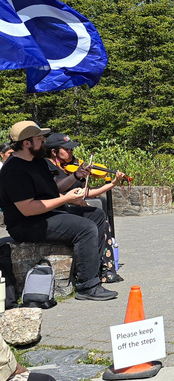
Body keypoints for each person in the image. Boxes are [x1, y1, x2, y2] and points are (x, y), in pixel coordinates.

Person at [0, 121, 118, 301]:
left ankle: (99, 270)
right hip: (28, 224)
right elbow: (28, 209)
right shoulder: (14, 170)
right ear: (26, 143)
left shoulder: (37, 161)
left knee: (96, 215)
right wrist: (66, 199)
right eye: (40, 138)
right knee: (85, 228)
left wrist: (76, 176)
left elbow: (54, 189)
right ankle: (87, 286)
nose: (44, 142)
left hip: (48, 213)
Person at [44, 132, 124, 283]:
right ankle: (99, 271)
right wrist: (72, 198)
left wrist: (112, 184)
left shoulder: (72, 167)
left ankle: (105, 268)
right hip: (59, 208)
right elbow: (53, 190)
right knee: (94, 222)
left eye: (71, 149)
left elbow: (85, 192)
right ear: (53, 151)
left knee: (100, 217)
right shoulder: (47, 166)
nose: (71, 152)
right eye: (66, 149)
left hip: (71, 205)